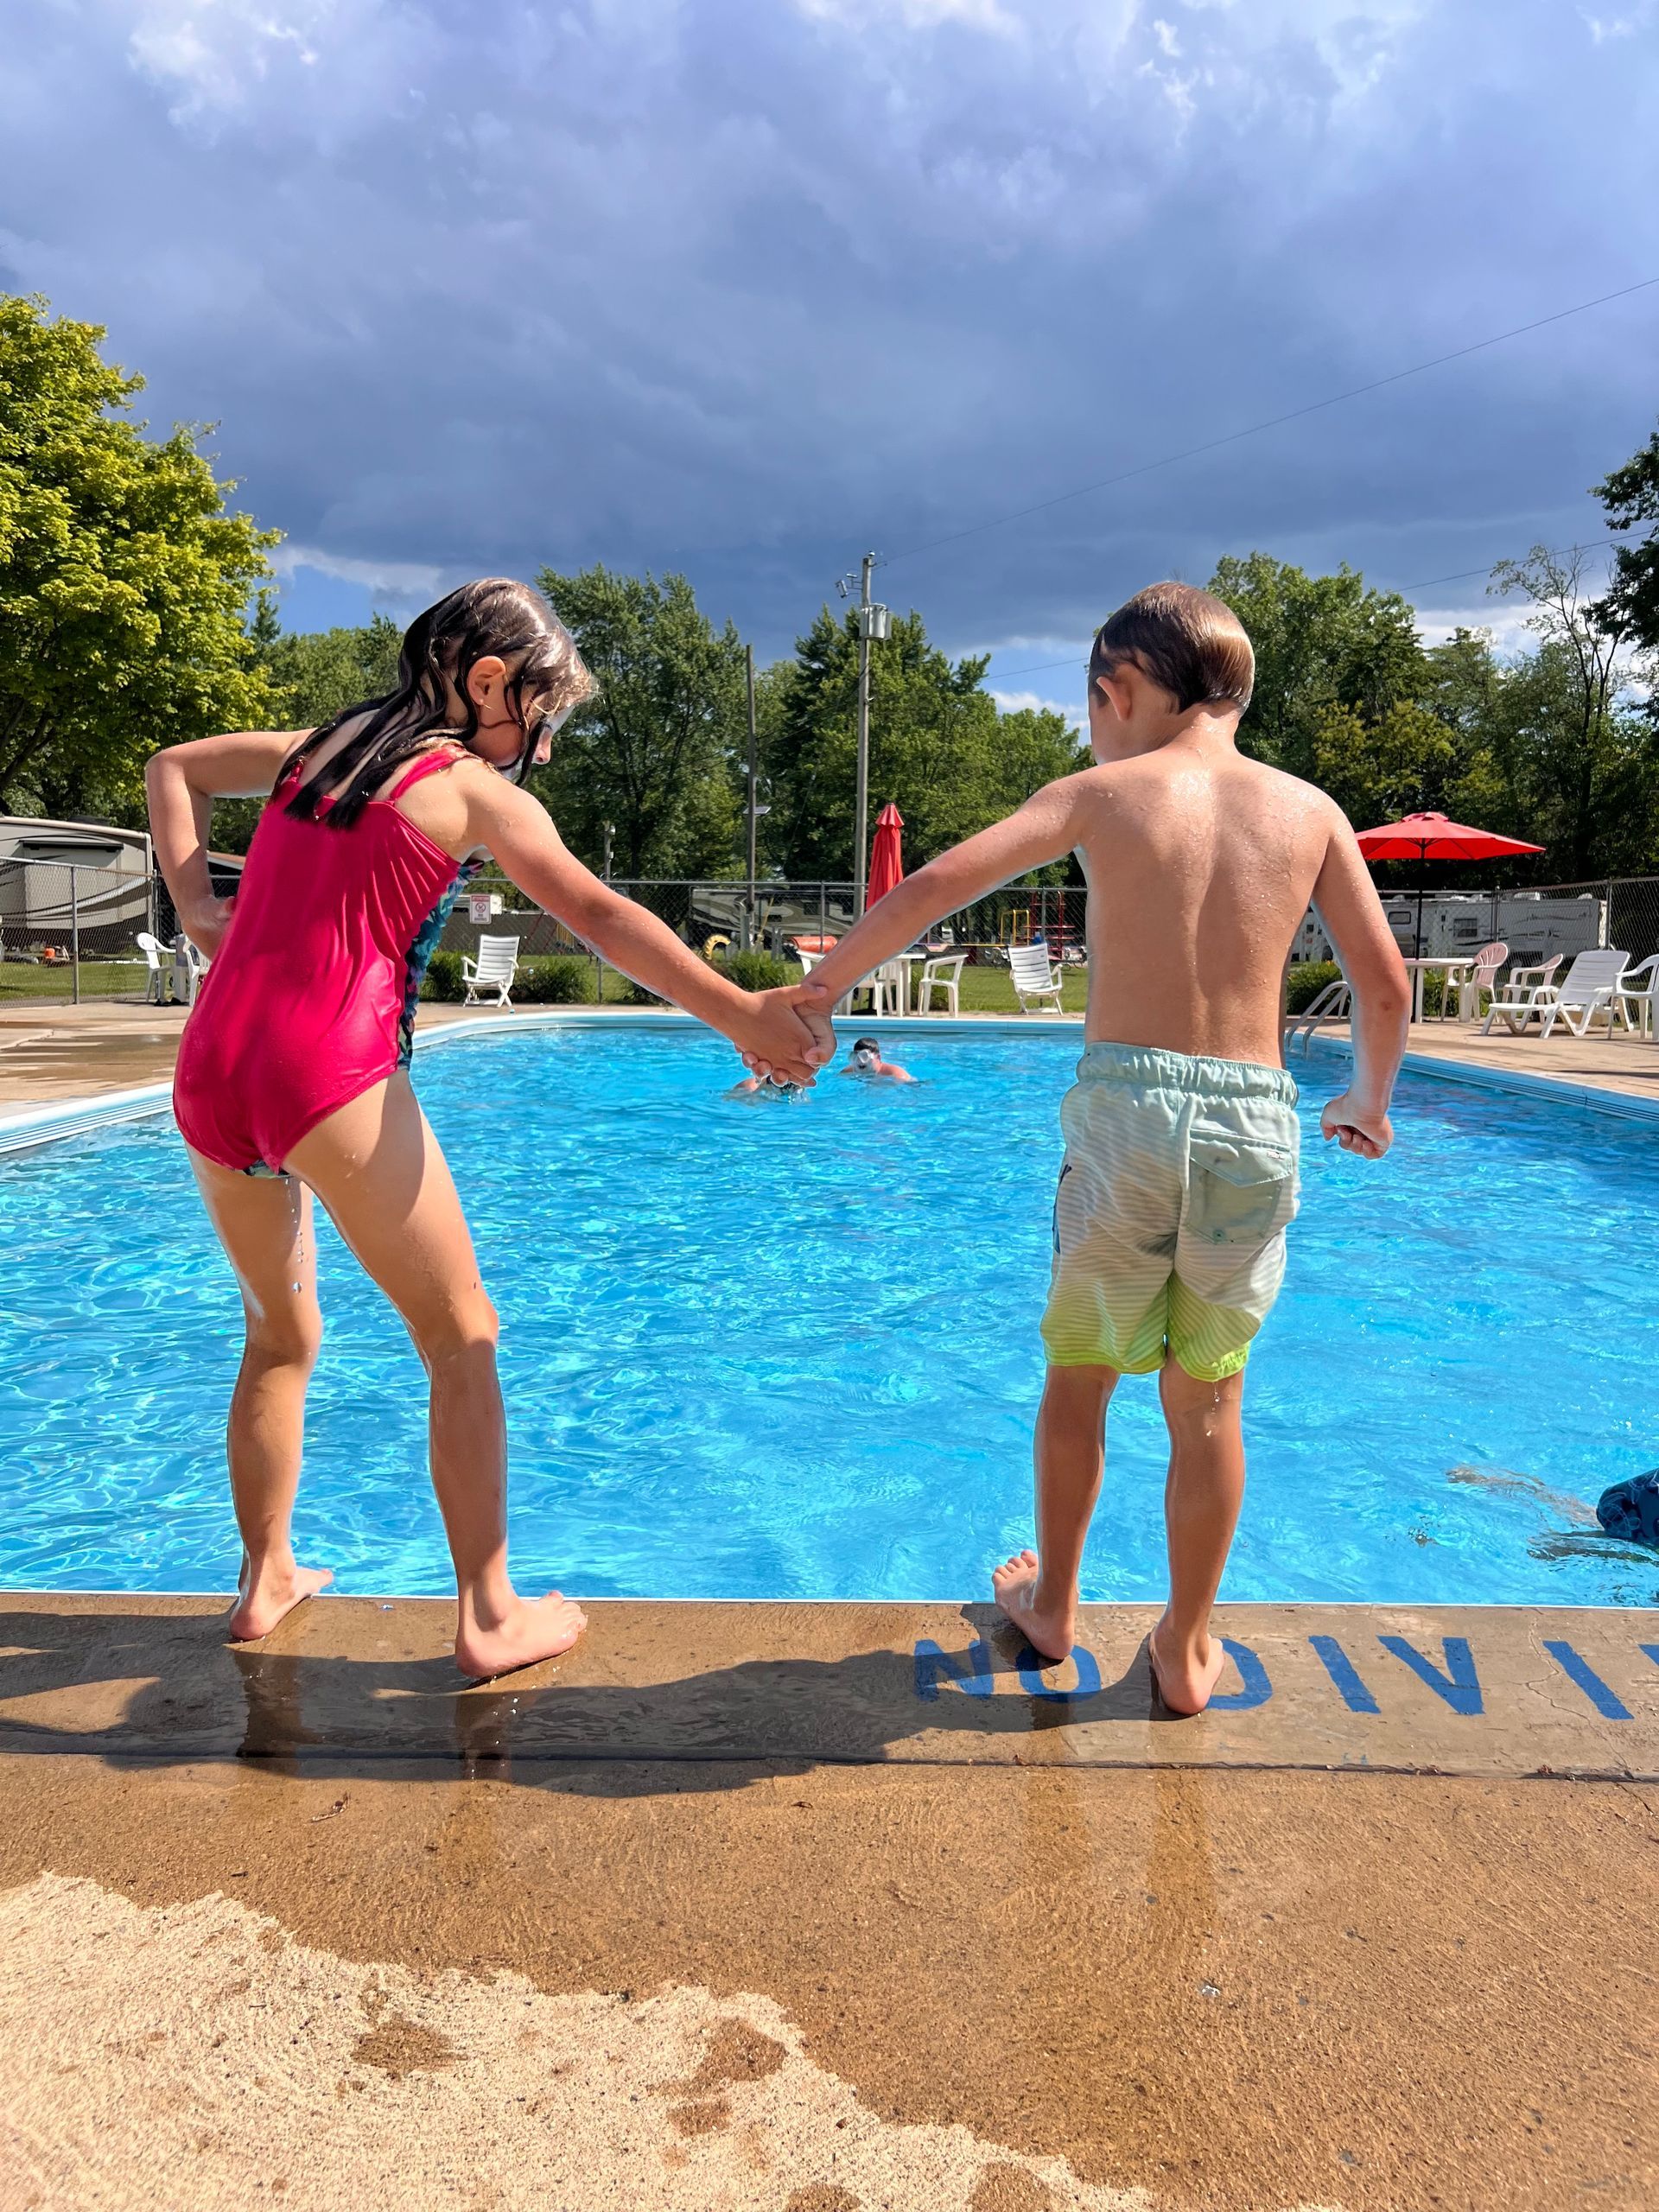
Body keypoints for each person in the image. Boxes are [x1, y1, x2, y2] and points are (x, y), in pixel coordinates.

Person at [149, 578, 827, 1681]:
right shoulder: (465, 789)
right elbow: (604, 917)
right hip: (329, 1071)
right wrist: (745, 1014)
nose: (543, 749)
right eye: (542, 717)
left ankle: (263, 1575)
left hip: (211, 1069)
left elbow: (171, 764)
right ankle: (488, 1613)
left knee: (280, 1333)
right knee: (463, 1335)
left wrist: (193, 904)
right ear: (486, 683)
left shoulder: (311, 747)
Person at [788, 582, 1408, 1713]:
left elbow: (935, 884)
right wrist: (1367, 1097)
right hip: (1258, 1115)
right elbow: (1385, 983)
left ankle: (1056, 1606)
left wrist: (821, 987)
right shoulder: (1309, 811)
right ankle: (1184, 1642)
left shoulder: (1102, 792)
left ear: (1117, 691)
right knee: (1210, 1396)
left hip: (1127, 1114)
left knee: (1080, 1379)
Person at [840, 1036, 916, 1084]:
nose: (860, 1061)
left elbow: (914, 1086)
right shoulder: (847, 1073)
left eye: (864, 1056)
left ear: (878, 1058)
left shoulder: (895, 1074)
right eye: (855, 1056)